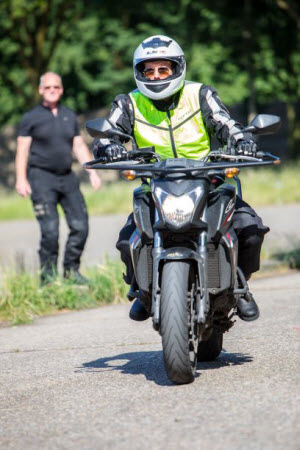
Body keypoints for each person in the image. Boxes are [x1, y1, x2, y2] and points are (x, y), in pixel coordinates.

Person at [92, 35, 269, 320]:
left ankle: (241, 284)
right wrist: (108, 147)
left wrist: (242, 140)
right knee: (128, 241)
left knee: (249, 231)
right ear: (138, 72)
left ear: (178, 68)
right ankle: (143, 289)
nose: (156, 75)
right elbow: (107, 133)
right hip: (156, 185)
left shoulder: (199, 94)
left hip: (208, 181)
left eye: (163, 69)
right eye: (148, 70)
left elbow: (226, 124)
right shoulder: (129, 102)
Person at [16, 71, 101, 284]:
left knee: (81, 226)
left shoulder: (69, 115)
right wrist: (21, 179)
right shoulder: (30, 118)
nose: (52, 90)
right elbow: (22, 150)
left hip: (67, 177)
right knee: (50, 231)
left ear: (61, 90)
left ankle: (71, 272)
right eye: (48, 87)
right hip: (41, 178)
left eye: (56, 87)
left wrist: (92, 172)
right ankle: (48, 278)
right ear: (40, 90)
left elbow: (78, 145)